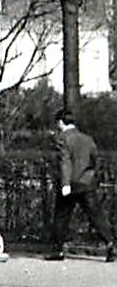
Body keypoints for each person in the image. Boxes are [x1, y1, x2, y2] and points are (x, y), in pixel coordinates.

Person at [47, 110, 115, 262]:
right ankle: (111, 244)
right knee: (96, 216)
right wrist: (92, 177)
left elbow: (65, 162)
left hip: (70, 184)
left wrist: (65, 184)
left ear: (60, 122)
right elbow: (95, 161)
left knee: (61, 217)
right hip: (86, 182)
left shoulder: (62, 139)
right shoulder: (88, 139)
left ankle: (58, 250)